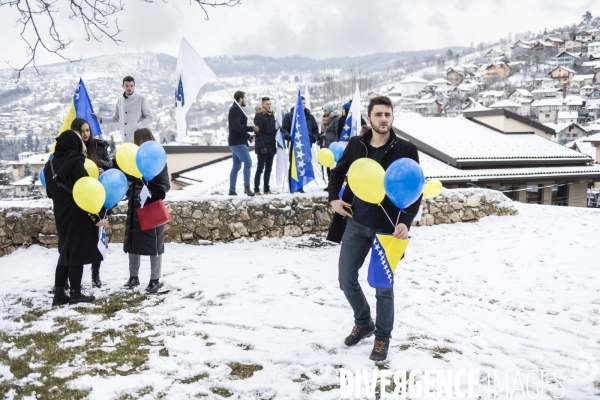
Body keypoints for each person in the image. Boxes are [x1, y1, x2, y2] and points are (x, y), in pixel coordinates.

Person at [327, 96, 422, 361]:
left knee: (384, 287)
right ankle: (364, 322)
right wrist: (334, 198)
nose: (383, 119)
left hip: (388, 229)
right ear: (369, 118)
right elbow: (337, 173)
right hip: (356, 222)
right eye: (378, 114)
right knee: (346, 278)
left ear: (392, 118)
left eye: (387, 115)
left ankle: (382, 338)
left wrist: (405, 221)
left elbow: (415, 190)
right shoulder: (357, 144)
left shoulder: (406, 149)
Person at [44, 130, 107, 306]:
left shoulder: (48, 166)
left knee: (65, 252)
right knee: (77, 253)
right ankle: (75, 293)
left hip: (61, 213)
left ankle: (59, 294)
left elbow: (50, 192)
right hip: (78, 213)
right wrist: (96, 216)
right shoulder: (76, 161)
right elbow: (86, 190)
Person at [121, 128, 170, 293]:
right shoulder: (133, 160)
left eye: (136, 139)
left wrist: (151, 189)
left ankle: (154, 279)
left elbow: (164, 186)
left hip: (151, 208)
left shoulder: (156, 158)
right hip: (135, 207)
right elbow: (129, 183)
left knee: (154, 244)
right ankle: (133, 277)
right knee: (133, 243)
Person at [70, 118, 113, 288]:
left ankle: (96, 275)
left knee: (97, 238)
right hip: (80, 200)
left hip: (98, 199)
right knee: (80, 240)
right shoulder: (73, 151)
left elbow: (110, 165)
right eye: (82, 131)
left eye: (88, 130)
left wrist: (103, 168)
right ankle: (74, 279)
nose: (86, 134)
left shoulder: (99, 147)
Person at [93, 76, 153, 144]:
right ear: (123, 86)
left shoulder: (141, 99)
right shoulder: (120, 100)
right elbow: (115, 118)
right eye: (127, 86)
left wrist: (137, 126)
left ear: (134, 86)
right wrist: (100, 118)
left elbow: (150, 118)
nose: (129, 88)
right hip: (124, 140)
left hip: (138, 138)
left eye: (131, 86)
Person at [281, 96, 319, 192]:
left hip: (306, 146)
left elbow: (315, 130)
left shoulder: (310, 116)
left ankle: (300, 187)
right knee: (294, 165)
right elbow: (284, 129)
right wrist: (288, 136)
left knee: (303, 166)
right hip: (294, 146)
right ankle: (292, 187)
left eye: (304, 103)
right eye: (301, 103)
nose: (303, 105)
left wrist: (312, 139)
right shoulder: (289, 116)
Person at [228, 91, 258, 196]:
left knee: (236, 166)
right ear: (240, 99)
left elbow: (239, 128)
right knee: (248, 162)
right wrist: (252, 128)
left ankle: (232, 190)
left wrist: (248, 136)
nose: (246, 100)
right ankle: (246, 187)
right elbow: (236, 126)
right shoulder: (235, 109)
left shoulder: (238, 109)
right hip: (238, 143)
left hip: (238, 141)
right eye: (245, 98)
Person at [253, 97, 277, 195]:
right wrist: (262, 147)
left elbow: (272, 131)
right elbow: (258, 133)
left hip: (271, 146)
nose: (269, 105)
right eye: (267, 104)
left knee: (268, 169)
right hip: (262, 147)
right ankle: (256, 189)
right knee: (260, 169)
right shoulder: (259, 116)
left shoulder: (271, 116)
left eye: (270, 104)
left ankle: (266, 189)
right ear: (262, 104)